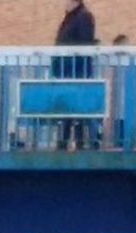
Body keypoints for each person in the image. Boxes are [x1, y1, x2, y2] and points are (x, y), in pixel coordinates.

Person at [53, 0, 101, 152]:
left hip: (76, 72)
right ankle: (68, 142)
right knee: (70, 109)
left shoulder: (83, 17)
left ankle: (80, 142)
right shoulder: (72, 17)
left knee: (77, 109)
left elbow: (84, 44)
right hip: (68, 72)